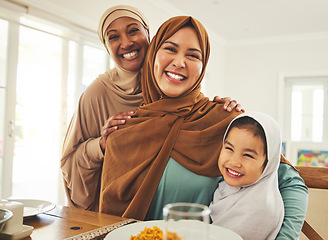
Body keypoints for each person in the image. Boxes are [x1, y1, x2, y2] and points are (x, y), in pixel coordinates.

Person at [99, 15, 307, 240]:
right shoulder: (123, 130)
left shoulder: (223, 121)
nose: (179, 62)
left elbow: (291, 182)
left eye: (192, 55)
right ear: (153, 56)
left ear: (203, 66)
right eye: (170, 49)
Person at [60, 5, 241, 212]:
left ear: (149, 36)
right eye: (113, 37)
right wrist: (102, 144)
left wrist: (220, 113)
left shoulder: (212, 115)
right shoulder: (99, 95)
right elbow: (71, 160)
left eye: (133, 30)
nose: (126, 43)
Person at [210, 112, 284, 240]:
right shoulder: (225, 187)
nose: (234, 162)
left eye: (248, 155)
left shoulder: (259, 207)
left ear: (268, 163)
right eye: (229, 148)